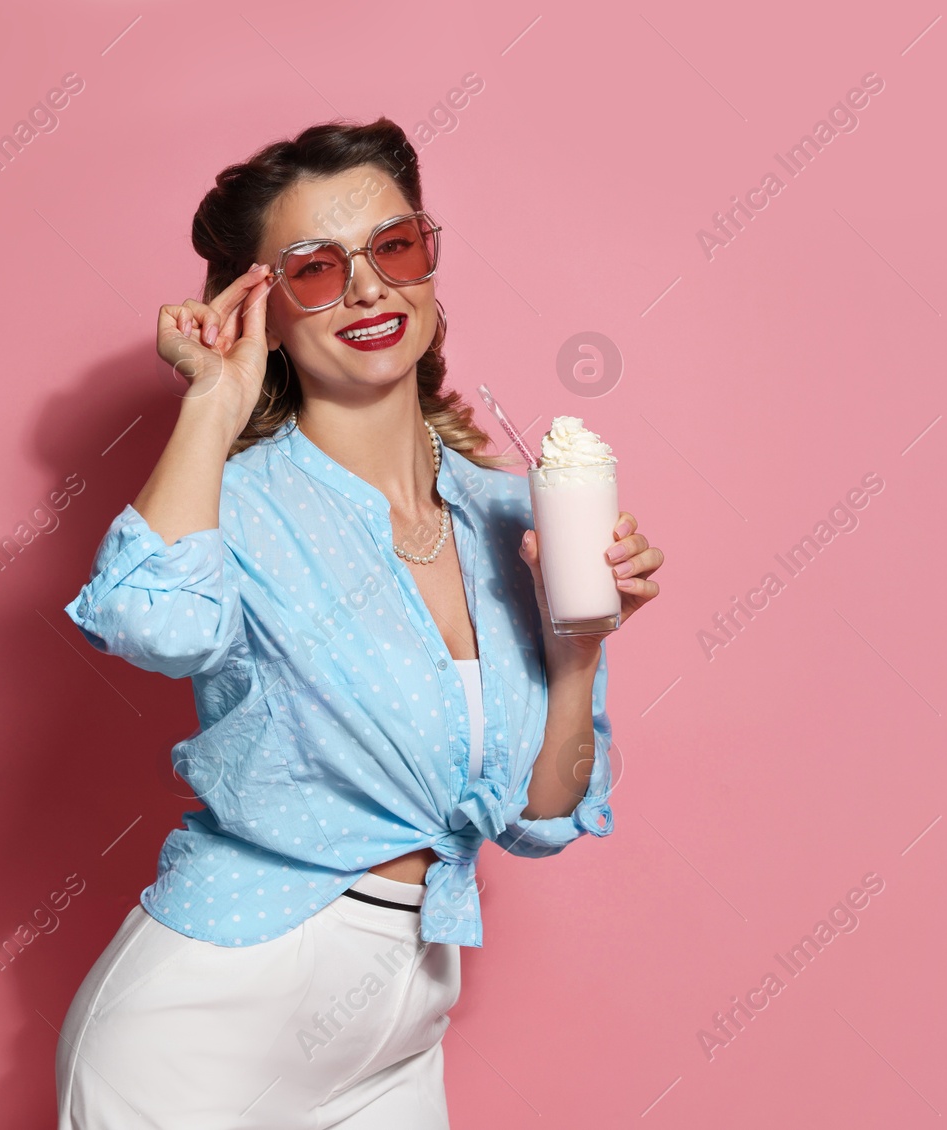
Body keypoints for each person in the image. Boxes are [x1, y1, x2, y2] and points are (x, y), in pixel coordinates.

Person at [55, 118, 663, 1129]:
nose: (370, 288)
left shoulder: (513, 512)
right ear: (261, 308)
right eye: (315, 269)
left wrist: (576, 647)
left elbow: (538, 818)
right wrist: (212, 398)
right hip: (207, 1025)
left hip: (399, 1026)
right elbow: (149, 624)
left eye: (393, 247)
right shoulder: (230, 498)